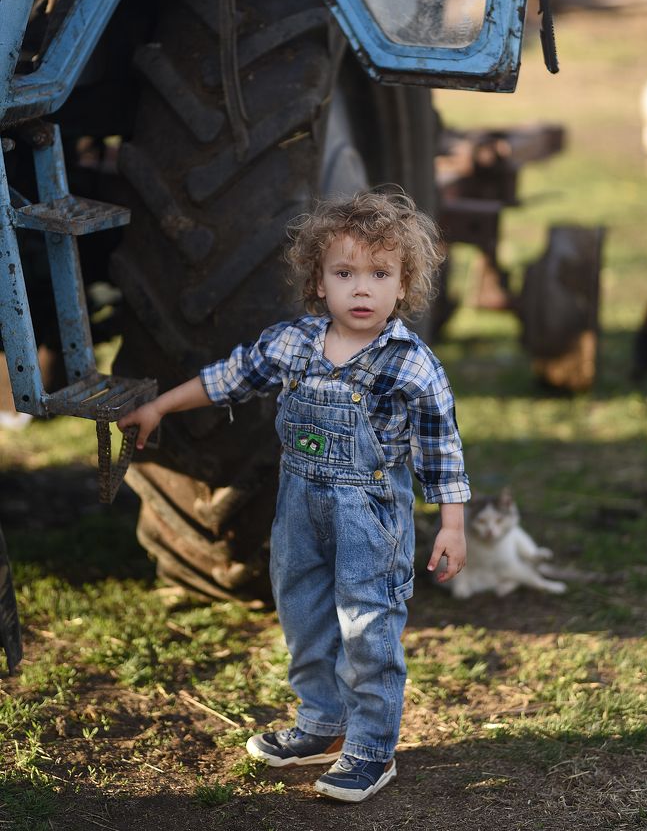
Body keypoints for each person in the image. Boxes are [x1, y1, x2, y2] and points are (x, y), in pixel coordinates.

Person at [118, 189, 470, 803]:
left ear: (404, 283)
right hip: (298, 511)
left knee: (367, 626)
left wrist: (452, 525)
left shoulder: (411, 366)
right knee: (303, 616)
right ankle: (321, 723)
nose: (362, 289)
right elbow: (226, 379)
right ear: (318, 282)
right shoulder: (292, 345)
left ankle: (369, 747)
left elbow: (441, 449)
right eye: (345, 273)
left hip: (370, 517)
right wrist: (159, 407)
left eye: (379, 274)